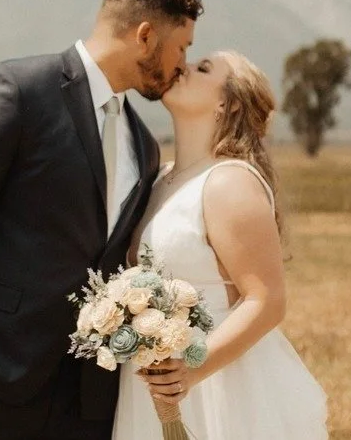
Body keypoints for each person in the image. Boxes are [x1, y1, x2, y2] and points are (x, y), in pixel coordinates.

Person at [0, 0, 203, 439]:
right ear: (146, 36)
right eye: (182, 47)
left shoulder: (145, 145)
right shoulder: (13, 92)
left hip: (87, 401)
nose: (183, 65)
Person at [113, 51, 329, 439]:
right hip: (153, 382)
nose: (183, 67)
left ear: (226, 103)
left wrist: (193, 368)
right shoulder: (159, 180)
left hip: (216, 385)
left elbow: (266, 300)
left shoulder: (230, 181)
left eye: (203, 68)